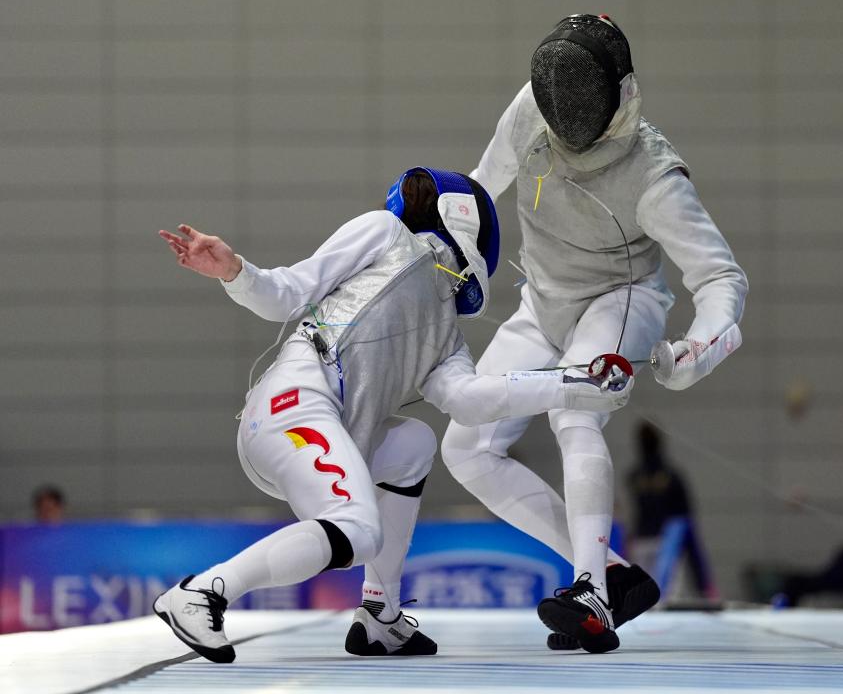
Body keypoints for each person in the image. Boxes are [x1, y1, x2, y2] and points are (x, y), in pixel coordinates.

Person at [152, 167, 633, 663]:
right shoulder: (384, 231)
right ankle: (203, 593)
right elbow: (288, 293)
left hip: (331, 433)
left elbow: (470, 400)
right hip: (294, 405)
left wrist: (574, 383)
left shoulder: (446, 336)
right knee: (358, 529)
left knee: (414, 444)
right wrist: (235, 270)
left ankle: (380, 615)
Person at [441, 14, 748, 653]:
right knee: (467, 447)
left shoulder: (653, 174)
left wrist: (701, 348)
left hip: (622, 299)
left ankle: (591, 594)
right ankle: (609, 574)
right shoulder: (533, 108)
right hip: (543, 301)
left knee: (575, 412)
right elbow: (479, 189)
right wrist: (442, 249)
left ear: (620, 95)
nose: (564, 121)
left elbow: (721, 277)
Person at [628, 423, 713, 599]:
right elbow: (686, 520)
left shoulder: (634, 477)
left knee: (643, 595)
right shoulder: (671, 477)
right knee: (663, 595)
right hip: (663, 541)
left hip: (647, 539)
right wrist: (701, 578)